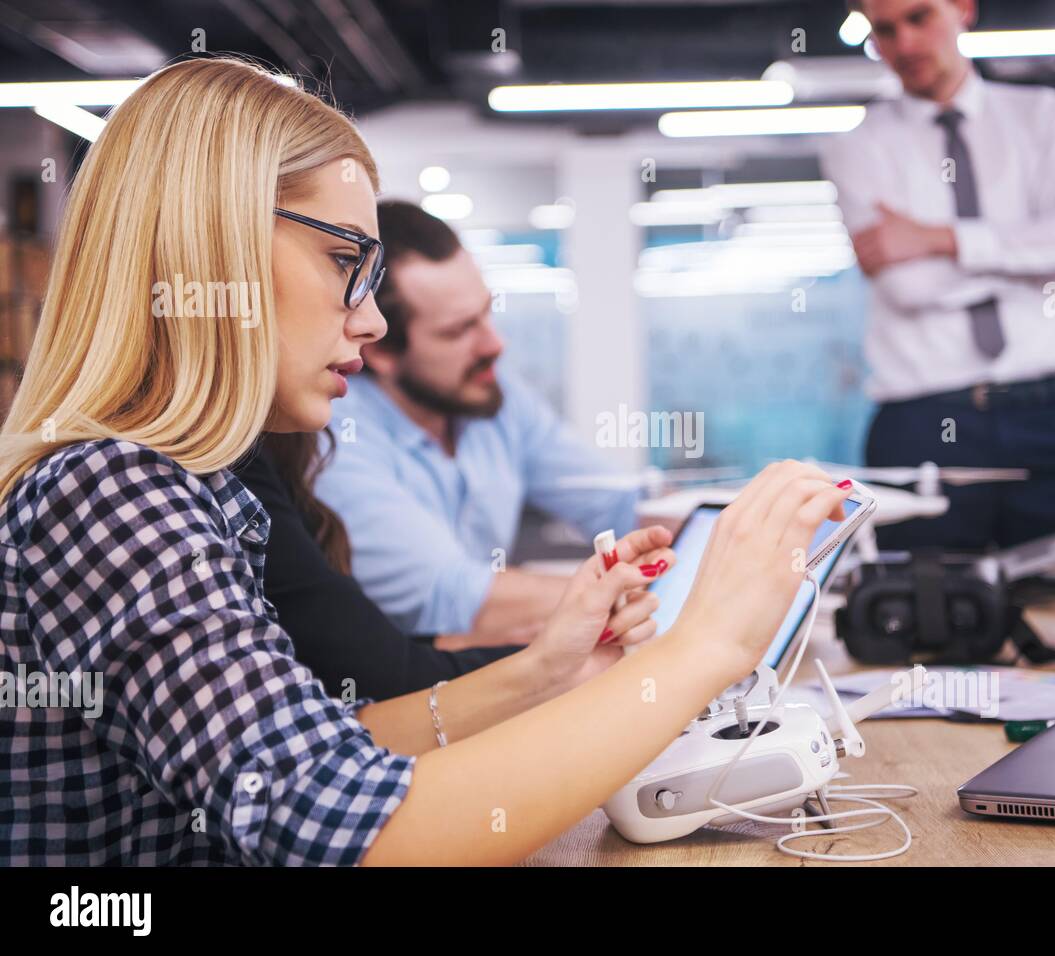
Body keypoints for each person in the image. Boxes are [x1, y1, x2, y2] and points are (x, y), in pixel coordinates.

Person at [0, 57, 851, 866]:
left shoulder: (198, 486)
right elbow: (341, 830)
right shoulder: (109, 490)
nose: (371, 323)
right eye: (346, 263)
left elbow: (328, 745)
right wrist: (704, 645)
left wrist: (546, 671)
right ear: (209, 250)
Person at [820, 0, 1055, 551]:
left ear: (963, 9)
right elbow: (908, 288)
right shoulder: (856, 147)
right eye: (884, 30)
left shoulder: (1042, 116)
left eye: (919, 17)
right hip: (923, 425)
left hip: (1042, 417)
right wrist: (1027, 255)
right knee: (926, 613)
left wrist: (937, 239)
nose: (903, 44)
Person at [315, 200, 638, 645]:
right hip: (401, 697)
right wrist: (649, 598)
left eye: (487, 313)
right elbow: (453, 597)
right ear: (381, 350)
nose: (494, 344)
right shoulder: (335, 432)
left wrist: (730, 525)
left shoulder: (490, 395)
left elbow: (617, 503)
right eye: (458, 330)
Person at [232, 432, 519, 701]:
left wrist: (524, 650)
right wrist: (538, 663)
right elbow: (378, 674)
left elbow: (366, 646)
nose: (355, 374)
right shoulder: (236, 467)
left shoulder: (273, 457)